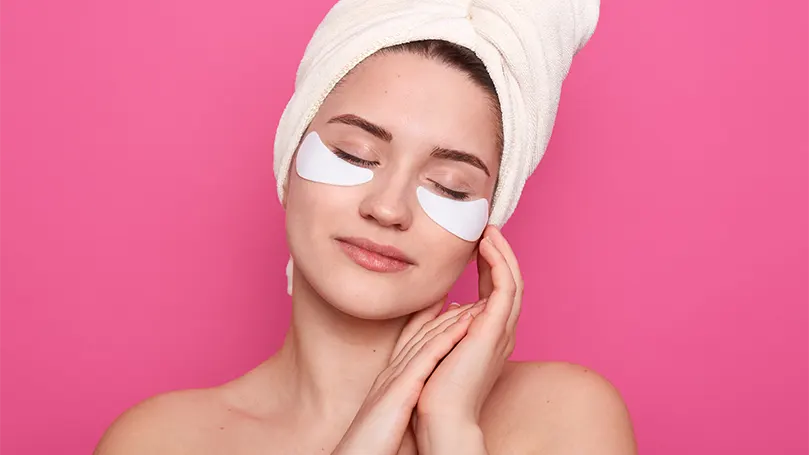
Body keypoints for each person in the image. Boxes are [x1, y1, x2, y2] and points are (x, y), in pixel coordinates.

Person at [95, 0, 636, 454]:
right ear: (289, 158)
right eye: (355, 153)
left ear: (488, 225)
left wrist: (450, 430)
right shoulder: (160, 441)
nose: (389, 208)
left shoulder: (564, 418)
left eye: (450, 186)